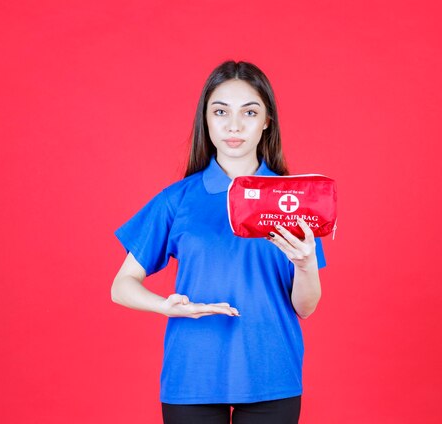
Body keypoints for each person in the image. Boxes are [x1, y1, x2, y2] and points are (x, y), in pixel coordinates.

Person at [111, 60, 326, 424]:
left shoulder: (293, 199)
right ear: (206, 119)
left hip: (271, 372)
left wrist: (306, 265)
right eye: (221, 111)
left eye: (250, 112)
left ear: (266, 121)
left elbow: (305, 307)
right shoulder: (177, 199)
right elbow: (121, 286)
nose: (234, 125)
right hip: (192, 372)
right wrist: (168, 306)